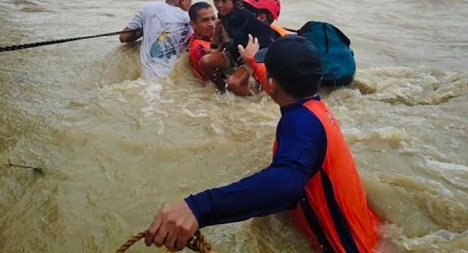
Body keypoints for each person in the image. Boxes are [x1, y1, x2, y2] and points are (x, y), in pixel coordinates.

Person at [144, 35, 381, 253]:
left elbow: (286, 184)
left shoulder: (301, 123)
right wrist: (251, 59)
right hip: (371, 236)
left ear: (272, 83)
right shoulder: (315, 110)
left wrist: (199, 207)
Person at [200, 0, 279, 96]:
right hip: (232, 55)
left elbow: (268, 37)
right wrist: (217, 49)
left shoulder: (247, 18)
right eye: (216, 0)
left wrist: (251, 55)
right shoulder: (223, 14)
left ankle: (251, 100)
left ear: (236, 0)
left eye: (224, 0)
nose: (219, 5)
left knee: (234, 84)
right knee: (205, 61)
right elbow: (224, 34)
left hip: (249, 60)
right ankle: (222, 91)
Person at [119, 0, 197, 79]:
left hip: (146, 76)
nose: (191, 4)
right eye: (191, 0)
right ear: (183, 0)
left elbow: (124, 37)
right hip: (170, 77)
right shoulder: (189, 18)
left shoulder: (147, 8)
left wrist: (145, 30)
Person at [187, 1, 217, 81]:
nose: (211, 24)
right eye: (205, 20)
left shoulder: (196, 38)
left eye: (213, 18)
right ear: (193, 25)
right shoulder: (200, 48)